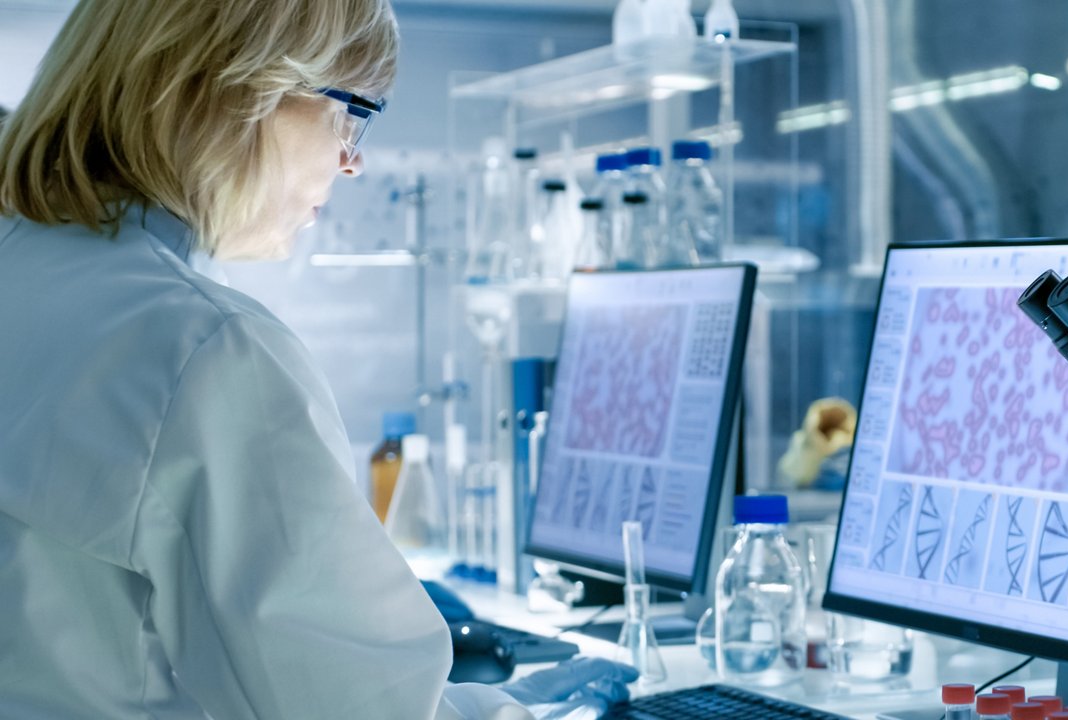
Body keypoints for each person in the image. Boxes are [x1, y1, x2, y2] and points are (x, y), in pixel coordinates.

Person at [0, 1, 635, 718]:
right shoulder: (205, 349)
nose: (352, 159)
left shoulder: (21, 267)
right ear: (241, 90)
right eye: (350, 111)